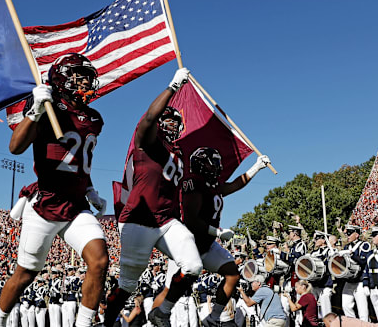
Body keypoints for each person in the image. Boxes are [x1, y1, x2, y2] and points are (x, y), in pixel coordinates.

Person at [0, 53, 109, 327]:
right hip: (45, 205)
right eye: (79, 76)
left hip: (76, 205)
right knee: (25, 273)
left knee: (100, 261)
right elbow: (16, 147)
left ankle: (83, 323)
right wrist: (35, 112)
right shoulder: (47, 106)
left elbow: (78, 162)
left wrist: (90, 189)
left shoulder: (93, 117)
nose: (86, 81)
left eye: (86, 76)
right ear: (63, 79)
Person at [105, 68, 204, 327]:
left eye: (175, 121)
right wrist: (172, 87)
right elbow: (150, 117)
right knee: (127, 285)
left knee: (192, 266)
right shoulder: (147, 140)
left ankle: (162, 311)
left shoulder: (178, 153)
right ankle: (107, 322)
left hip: (167, 220)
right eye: (168, 119)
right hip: (139, 217)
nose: (172, 124)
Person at [155, 146, 269, 323]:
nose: (218, 166)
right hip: (189, 243)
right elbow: (191, 220)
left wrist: (256, 168)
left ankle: (213, 318)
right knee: (170, 289)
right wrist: (218, 232)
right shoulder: (192, 183)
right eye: (213, 162)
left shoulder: (212, 184)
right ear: (201, 165)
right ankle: (158, 316)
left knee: (232, 273)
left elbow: (234, 185)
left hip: (206, 243)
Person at [339, 225, 371, 322]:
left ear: (356, 234)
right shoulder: (347, 246)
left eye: (349, 233)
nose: (347, 236)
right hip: (349, 281)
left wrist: (352, 254)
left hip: (360, 280)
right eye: (346, 233)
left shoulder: (364, 245)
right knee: (346, 305)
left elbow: (364, 261)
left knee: (363, 311)